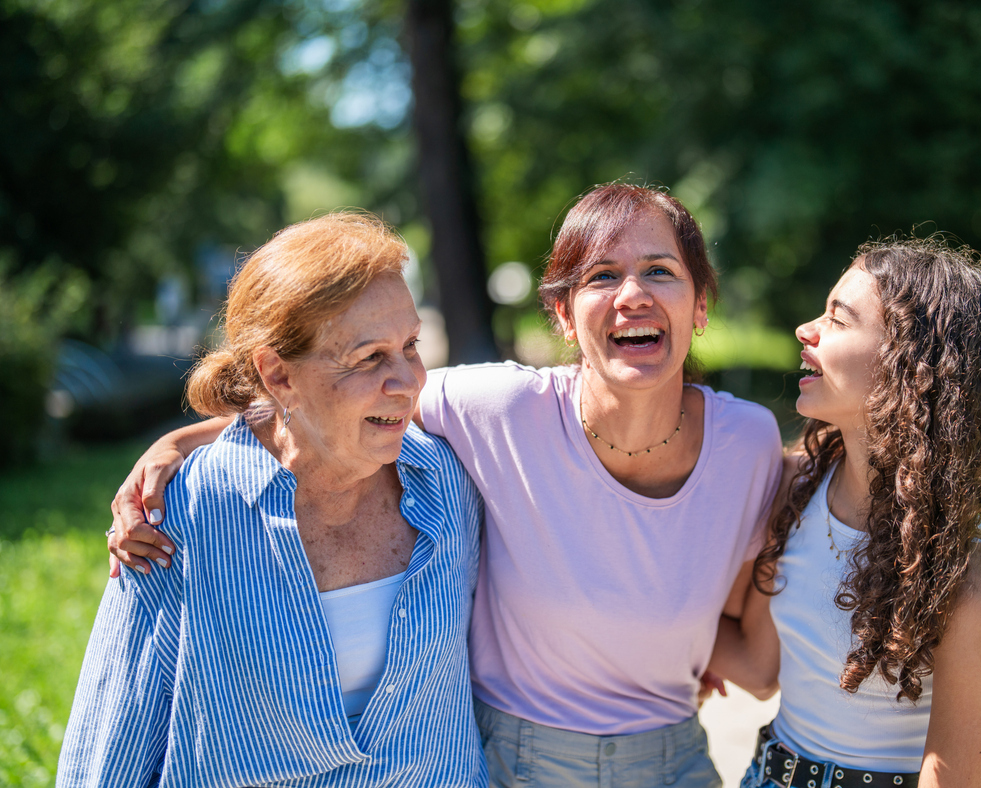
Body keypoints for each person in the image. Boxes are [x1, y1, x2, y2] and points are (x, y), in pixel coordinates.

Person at [105, 184, 784, 788]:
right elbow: (329, 407)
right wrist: (179, 443)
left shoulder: (748, 444)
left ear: (700, 305)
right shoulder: (500, 408)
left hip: (679, 760)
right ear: (562, 315)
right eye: (602, 275)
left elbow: (735, 624)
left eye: (660, 272)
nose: (632, 294)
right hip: (517, 761)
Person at [61, 213, 486, 787]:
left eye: (410, 346)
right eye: (368, 358)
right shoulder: (183, 511)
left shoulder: (449, 481)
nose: (408, 380)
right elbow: (119, 727)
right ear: (278, 375)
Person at [710, 238, 981, 788]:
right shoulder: (795, 487)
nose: (807, 330)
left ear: (910, 365)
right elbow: (759, 667)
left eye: (838, 318)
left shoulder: (965, 572)